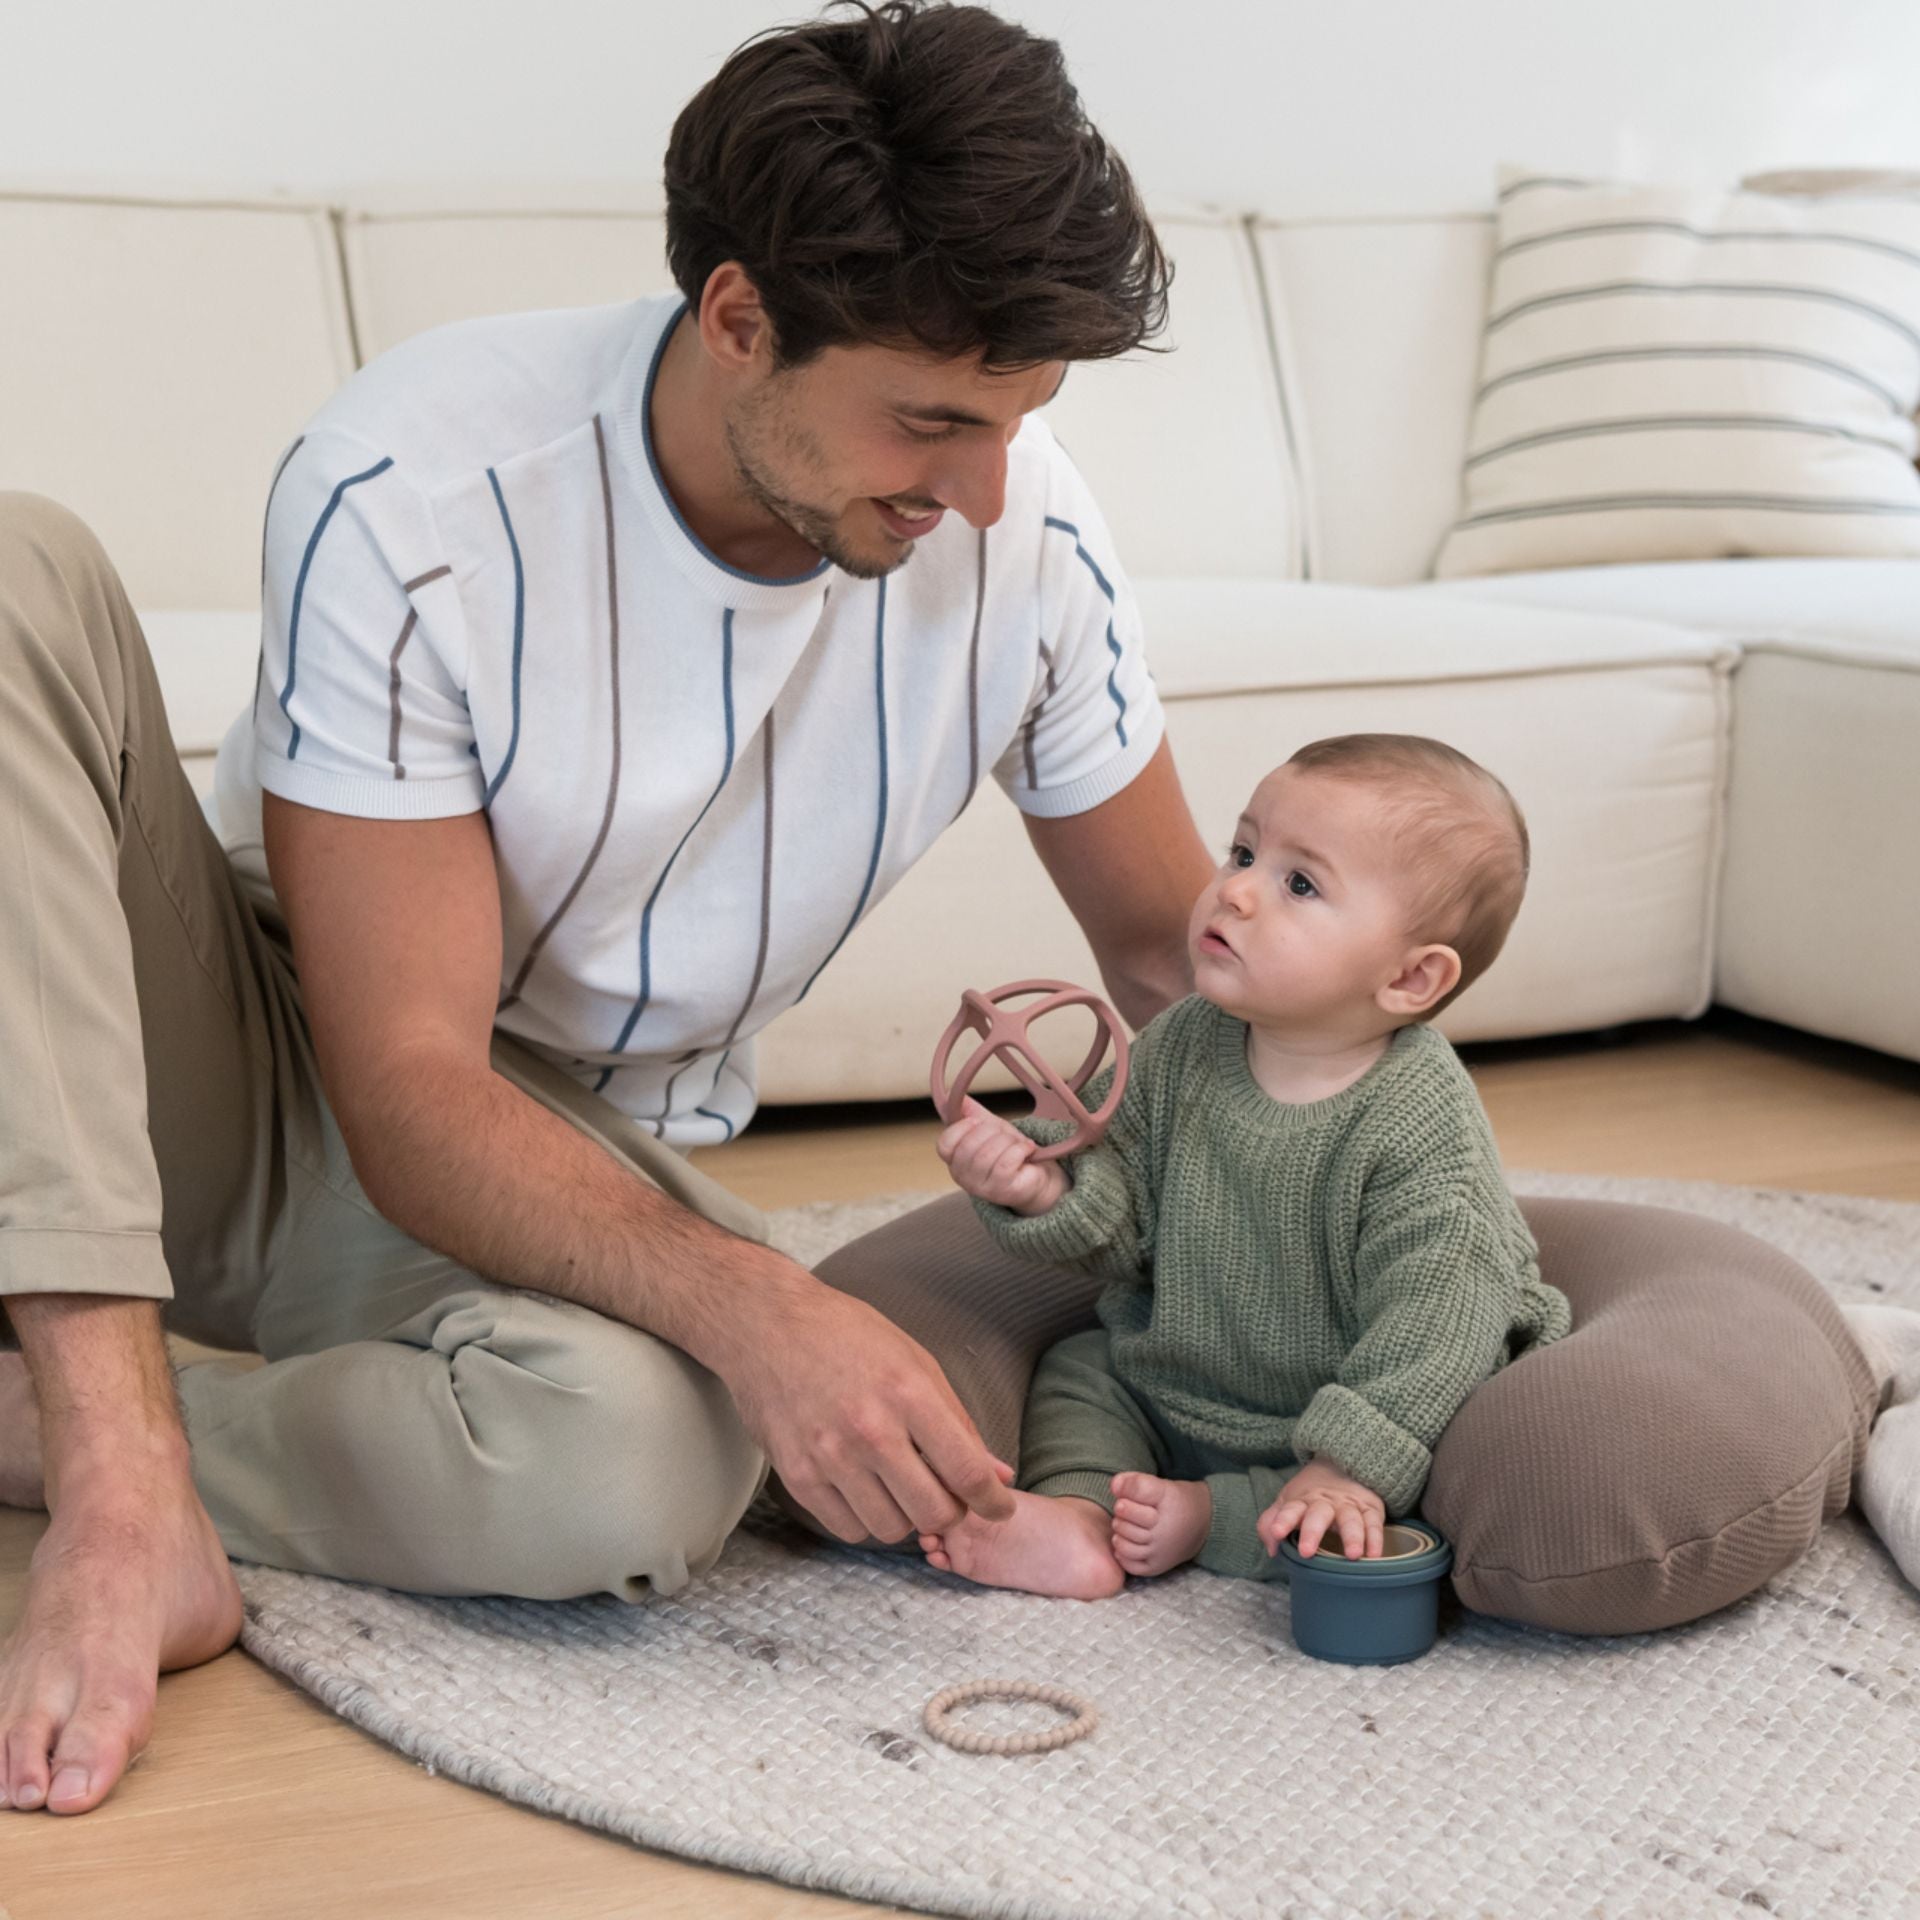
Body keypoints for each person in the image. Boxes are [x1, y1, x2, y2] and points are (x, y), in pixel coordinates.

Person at [0, 1, 1214, 1816]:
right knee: (13, 569)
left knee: (625, 1476)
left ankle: (37, 1419)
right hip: (265, 1050)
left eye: (1017, 425)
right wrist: (756, 1307)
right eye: (931, 422)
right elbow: (406, 1088)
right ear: (739, 320)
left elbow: (1173, 952)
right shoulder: (421, 481)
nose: (977, 494)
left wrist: (1405, 1222)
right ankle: (113, 1474)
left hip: (561, 1148)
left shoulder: (1025, 536)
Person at [926, 735, 1571, 1597]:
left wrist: (1349, 1461)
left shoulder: (1417, 1125)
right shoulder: (1183, 1043)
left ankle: (1211, 1519)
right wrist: (1044, 1188)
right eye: (1243, 851)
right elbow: (1125, 1222)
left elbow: (1440, 1321)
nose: (1232, 888)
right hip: (1179, 1377)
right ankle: (1079, 1515)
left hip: (1338, 1410)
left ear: (1412, 978)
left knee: (1369, 1503)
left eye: (1298, 884)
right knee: (1084, 1372)